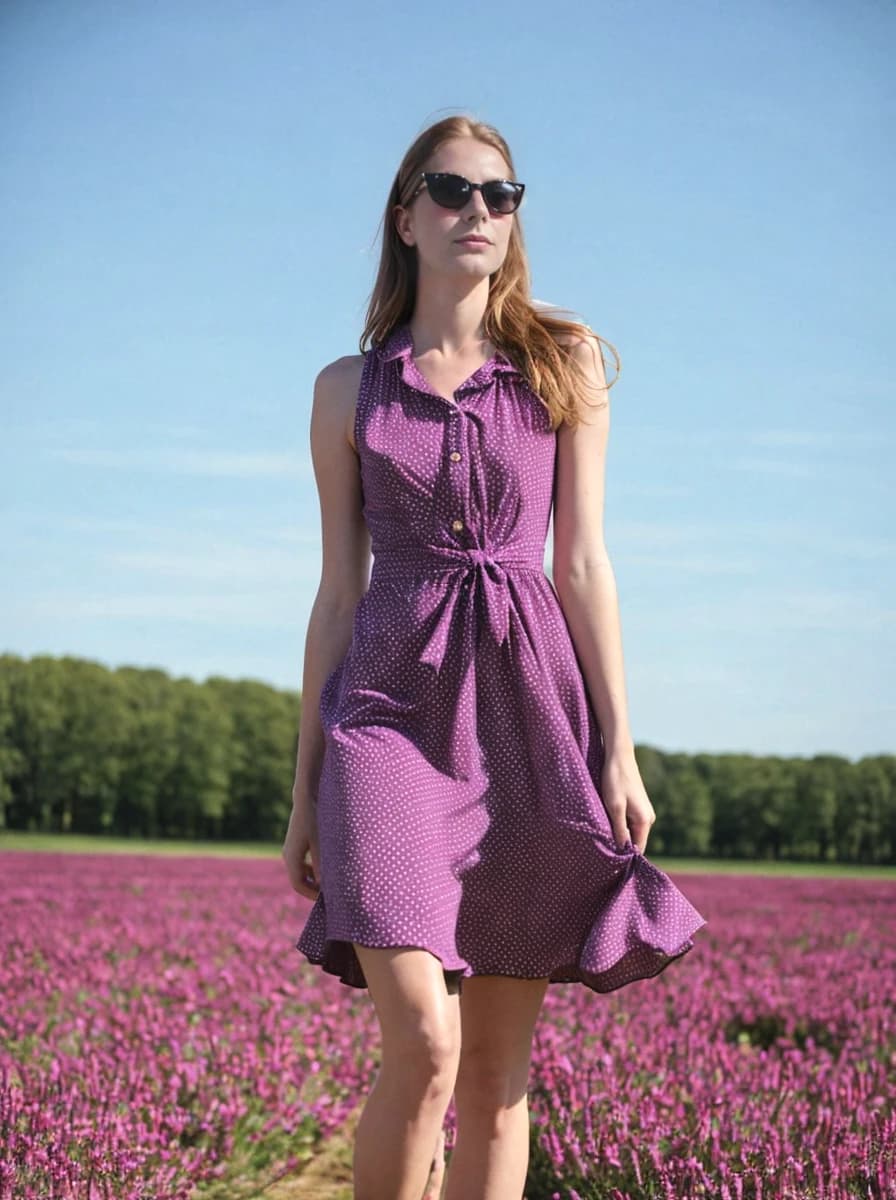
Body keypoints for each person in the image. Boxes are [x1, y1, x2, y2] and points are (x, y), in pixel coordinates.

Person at [282, 113, 707, 1200]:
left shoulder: (562, 366)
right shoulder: (346, 390)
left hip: (527, 717)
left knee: (495, 1076)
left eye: (500, 195)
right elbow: (337, 590)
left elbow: (583, 568)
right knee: (423, 1044)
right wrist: (303, 789)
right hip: (384, 713)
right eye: (453, 191)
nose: (478, 211)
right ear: (406, 216)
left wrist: (617, 750)